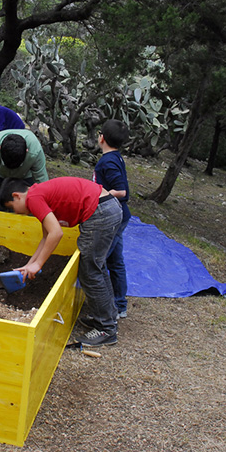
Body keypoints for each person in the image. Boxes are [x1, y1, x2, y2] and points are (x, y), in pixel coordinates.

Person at [0, 176, 123, 347]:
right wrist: (30, 264)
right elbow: (46, 237)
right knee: (97, 267)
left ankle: (106, 329)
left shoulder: (34, 198)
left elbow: (56, 233)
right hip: (107, 206)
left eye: (12, 208)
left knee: (90, 271)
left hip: (100, 211)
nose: (15, 212)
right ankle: (107, 315)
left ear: (17, 196)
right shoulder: (39, 194)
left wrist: (39, 264)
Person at [0, 129, 48, 237]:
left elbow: (44, 187)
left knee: (27, 212)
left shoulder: (35, 151)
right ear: (0, 149)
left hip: (25, 176)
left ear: (27, 151)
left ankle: (23, 238)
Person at [94, 119, 131, 319]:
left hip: (114, 218)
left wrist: (100, 192)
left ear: (102, 138)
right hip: (120, 216)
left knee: (98, 261)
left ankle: (107, 307)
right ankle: (119, 304)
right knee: (116, 261)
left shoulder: (108, 162)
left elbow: (123, 191)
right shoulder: (115, 157)